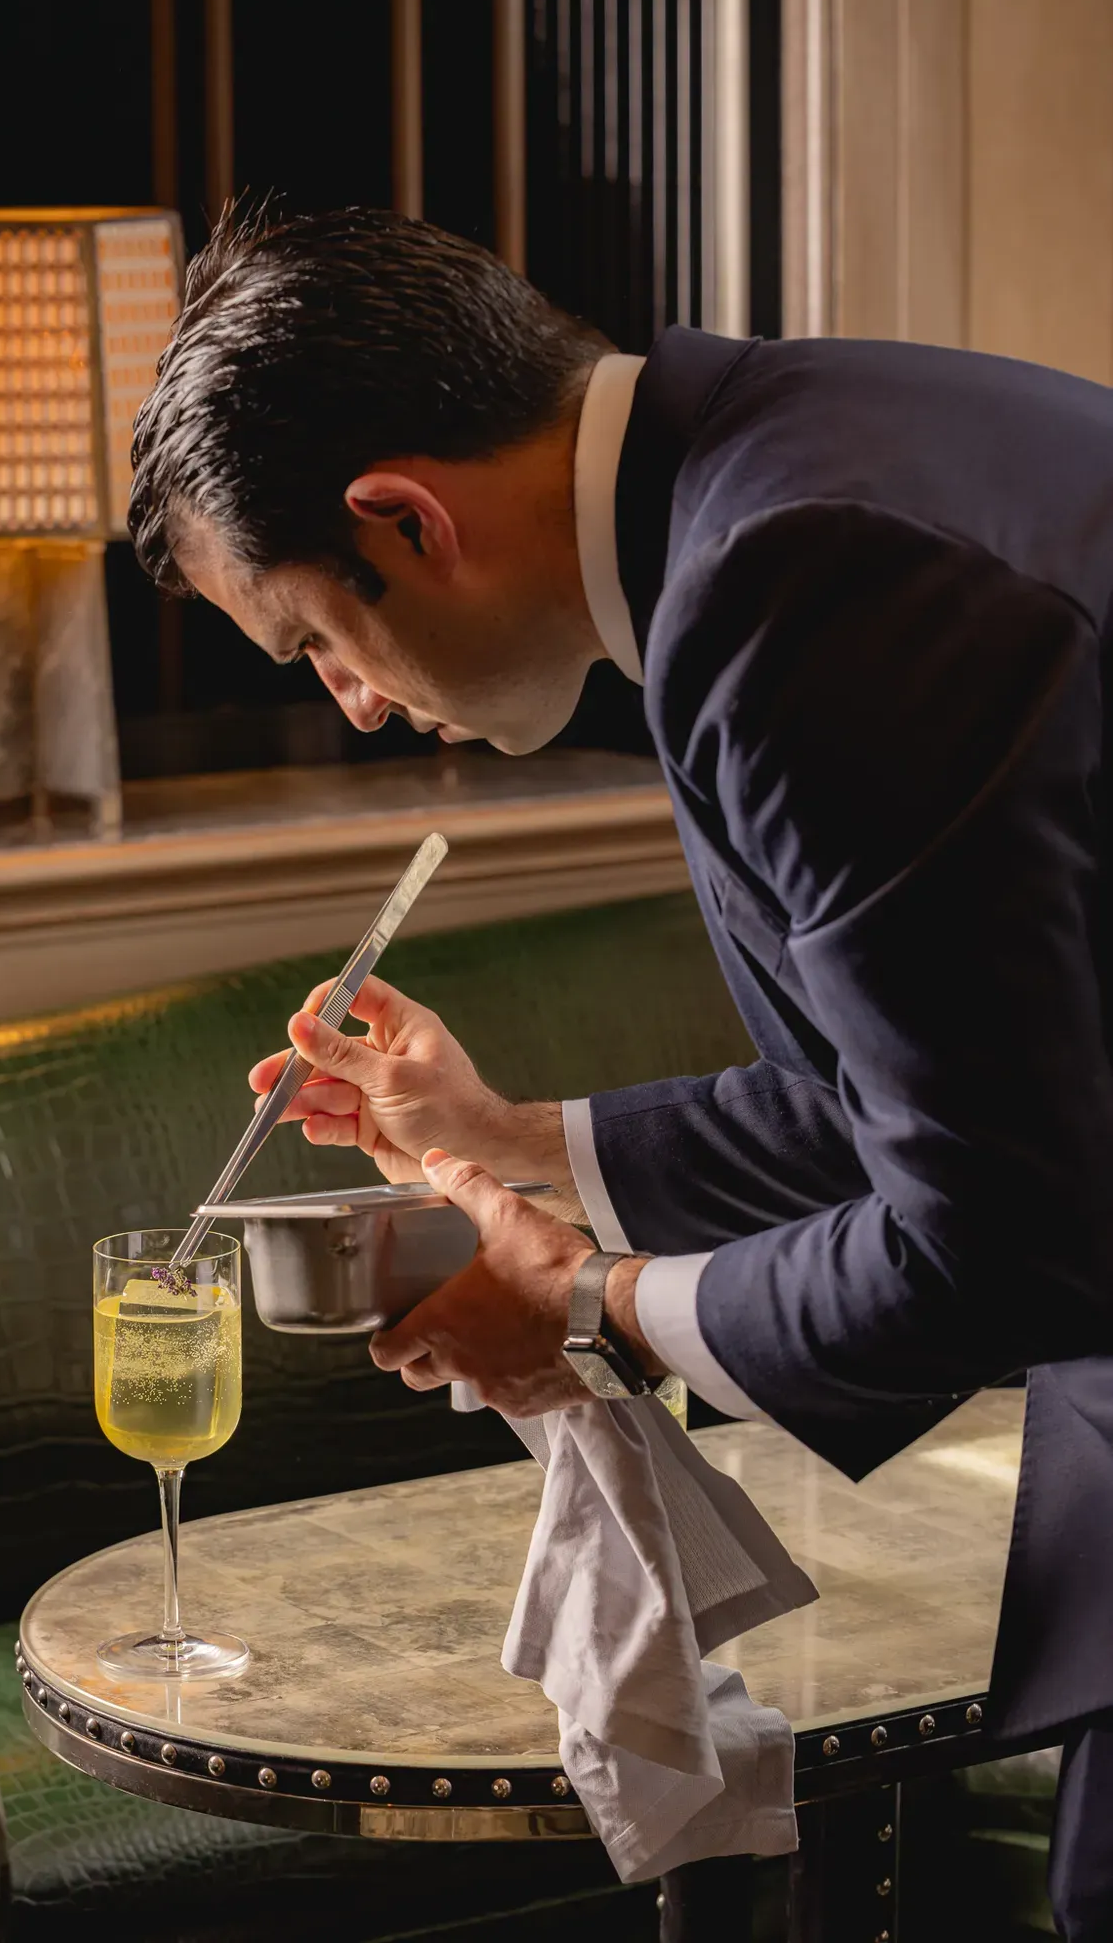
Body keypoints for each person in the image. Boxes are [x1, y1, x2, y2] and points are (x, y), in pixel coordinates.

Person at [128, 207, 1113, 1939]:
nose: (349, 703)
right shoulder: (788, 463)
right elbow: (951, 1098)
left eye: (312, 641)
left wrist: (588, 1308)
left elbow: (1003, 1236)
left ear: (403, 518)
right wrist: (504, 1139)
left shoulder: (797, 586)